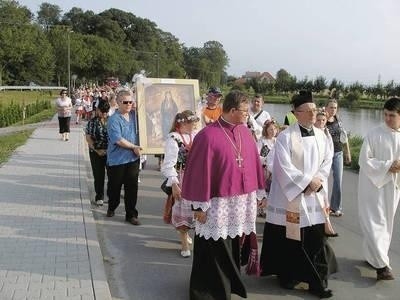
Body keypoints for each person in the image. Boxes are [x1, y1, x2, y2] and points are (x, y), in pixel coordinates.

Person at [181, 90, 266, 300]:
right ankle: (207, 291)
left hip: (240, 201)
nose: (248, 115)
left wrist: (259, 192)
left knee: (231, 246)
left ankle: (228, 285)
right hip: (215, 203)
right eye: (245, 111)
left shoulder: (244, 132)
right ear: (233, 110)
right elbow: (199, 173)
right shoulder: (207, 136)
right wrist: (199, 206)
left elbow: (253, 163)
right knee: (213, 247)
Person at [260, 91, 337, 299]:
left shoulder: (322, 135)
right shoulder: (286, 137)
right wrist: (306, 182)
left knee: (315, 239)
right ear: (296, 113)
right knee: (292, 238)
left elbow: (327, 160)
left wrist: (319, 179)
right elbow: (282, 167)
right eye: (308, 111)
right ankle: (289, 274)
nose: (313, 114)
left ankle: (317, 282)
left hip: (314, 195)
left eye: (315, 110)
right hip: (292, 196)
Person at [358, 97, 400, 281]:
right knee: (374, 223)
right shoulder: (374, 134)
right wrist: (388, 166)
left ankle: (372, 257)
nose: (387, 119)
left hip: (393, 188)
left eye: (392, 115)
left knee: (385, 225)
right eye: (385, 114)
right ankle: (382, 266)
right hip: (372, 187)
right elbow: (364, 160)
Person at [161, 110, 199, 258]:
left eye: (195, 123)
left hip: (196, 177)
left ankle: (187, 233)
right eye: (191, 123)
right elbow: (168, 165)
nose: (194, 125)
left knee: (196, 209)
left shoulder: (196, 136)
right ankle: (184, 242)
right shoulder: (173, 139)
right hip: (181, 177)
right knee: (182, 210)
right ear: (182, 123)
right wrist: (174, 184)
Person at [106, 90, 142, 225]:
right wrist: (134, 147)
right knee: (114, 188)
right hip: (117, 160)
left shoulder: (135, 116)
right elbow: (118, 140)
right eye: (125, 102)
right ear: (118, 102)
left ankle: (131, 214)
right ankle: (112, 206)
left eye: (130, 102)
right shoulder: (113, 119)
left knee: (132, 187)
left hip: (132, 158)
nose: (128, 104)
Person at [314, 109, 338, 238]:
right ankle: (320, 225)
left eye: (323, 120)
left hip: (323, 172)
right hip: (313, 171)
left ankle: (326, 224)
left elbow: (330, 154)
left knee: (323, 199)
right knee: (315, 198)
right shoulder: (311, 134)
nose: (321, 122)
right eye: (318, 120)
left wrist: (323, 171)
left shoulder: (327, 134)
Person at [326, 98, 351, 217]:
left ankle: (336, 207)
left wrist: (348, 153)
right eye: (331, 107)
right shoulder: (322, 120)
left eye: (335, 108)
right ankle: (322, 206)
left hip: (338, 153)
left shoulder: (338, 120)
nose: (333, 110)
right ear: (326, 108)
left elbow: (344, 137)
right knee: (322, 181)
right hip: (325, 155)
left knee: (338, 181)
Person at [85, 100, 110, 206]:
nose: (104, 114)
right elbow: (88, 138)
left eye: (106, 111)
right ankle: (99, 196)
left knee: (112, 175)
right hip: (96, 152)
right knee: (98, 175)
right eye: (102, 111)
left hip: (110, 152)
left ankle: (111, 195)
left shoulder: (112, 121)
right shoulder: (92, 122)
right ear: (97, 110)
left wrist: (108, 150)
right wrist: (96, 150)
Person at [256, 118, 278, 217]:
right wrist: (265, 161)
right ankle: (261, 208)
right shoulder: (262, 141)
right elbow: (256, 154)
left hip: (274, 169)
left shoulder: (277, 141)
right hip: (263, 168)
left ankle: (269, 208)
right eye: (270, 129)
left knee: (271, 189)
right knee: (262, 188)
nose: (273, 132)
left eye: (274, 129)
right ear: (266, 130)